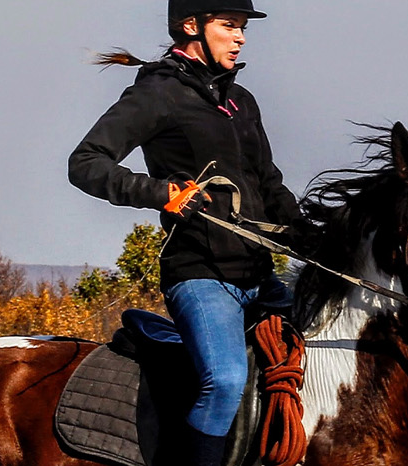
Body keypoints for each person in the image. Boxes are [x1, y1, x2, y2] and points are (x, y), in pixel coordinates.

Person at [66, 0, 300, 464]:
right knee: (226, 380)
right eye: (229, 26)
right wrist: (161, 192)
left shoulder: (241, 101)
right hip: (200, 276)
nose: (241, 37)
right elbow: (85, 163)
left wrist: (307, 235)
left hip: (260, 277)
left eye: (243, 28)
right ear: (191, 26)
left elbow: (268, 181)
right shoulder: (158, 94)